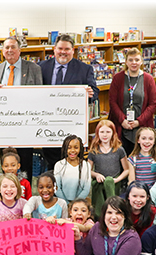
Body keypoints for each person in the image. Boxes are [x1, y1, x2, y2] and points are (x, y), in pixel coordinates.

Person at [39, 34, 99, 171]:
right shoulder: (41, 67)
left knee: (73, 164)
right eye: (60, 48)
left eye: (67, 49)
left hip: (72, 125)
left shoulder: (85, 69)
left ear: (73, 50)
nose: (63, 52)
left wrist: (90, 94)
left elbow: (94, 92)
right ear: (54, 49)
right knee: (51, 165)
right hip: (48, 125)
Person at [0, 36, 43, 183]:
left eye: (13, 47)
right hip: (3, 126)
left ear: (19, 50)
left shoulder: (34, 69)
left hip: (25, 126)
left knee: (25, 162)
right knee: (7, 163)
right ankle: (7, 191)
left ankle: (25, 194)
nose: (10, 50)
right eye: (6, 47)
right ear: (2, 51)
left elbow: (40, 97)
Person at [109, 48, 156, 156]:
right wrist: (122, 120)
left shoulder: (148, 79)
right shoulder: (118, 78)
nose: (134, 63)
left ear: (141, 61)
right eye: (130, 60)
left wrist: (139, 121)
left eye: (137, 59)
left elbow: (153, 103)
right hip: (121, 126)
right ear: (126, 62)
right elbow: (112, 101)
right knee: (122, 158)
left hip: (142, 126)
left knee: (141, 159)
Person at [87, 120, 129, 219]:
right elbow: (88, 170)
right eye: (102, 132)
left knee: (110, 183)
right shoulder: (94, 151)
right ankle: (100, 217)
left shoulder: (119, 150)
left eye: (108, 132)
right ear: (97, 133)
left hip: (114, 183)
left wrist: (117, 179)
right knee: (100, 204)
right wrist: (96, 175)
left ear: (113, 133)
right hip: (100, 182)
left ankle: (114, 211)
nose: (105, 135)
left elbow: (126, 170)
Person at [54, 135, 91, 204]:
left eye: (76, 147)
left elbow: (86, 188)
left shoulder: (86, 165)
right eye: (69, 148)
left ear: (80, 149)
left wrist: (75, 204)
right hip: (62, 203)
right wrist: (67, 203)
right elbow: (57, 188)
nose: (73, 150)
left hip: (80, 202)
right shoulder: (59, 165)